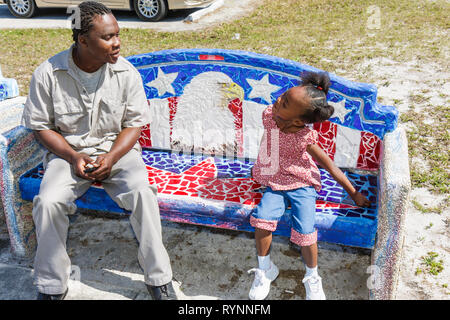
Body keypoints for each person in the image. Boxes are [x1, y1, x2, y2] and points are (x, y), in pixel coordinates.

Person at [22, 1, 176, 300]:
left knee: (142, 194)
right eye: (107, 37)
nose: (116, 42)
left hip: (118, 152)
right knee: (48, 201)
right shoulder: (49, 74)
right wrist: (73, 156)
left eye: (117, 34)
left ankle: (159, 279)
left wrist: (112, 157)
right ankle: (52, 285)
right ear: (82, 40)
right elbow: (41, 127)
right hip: (69, 154)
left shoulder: (126, 72)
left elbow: (133, 125)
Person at [248, 71, 371, 300]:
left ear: (297, 121)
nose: (276, 101)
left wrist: (353, 193)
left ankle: (312, 276)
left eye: (284, 103)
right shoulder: (269, 116)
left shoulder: (305, 138)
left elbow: (330, 166)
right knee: (263, 219)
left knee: (305, 230)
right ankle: (265, 269)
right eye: (282, 96)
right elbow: (270, 146)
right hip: (274, 181)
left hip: (301, 183)